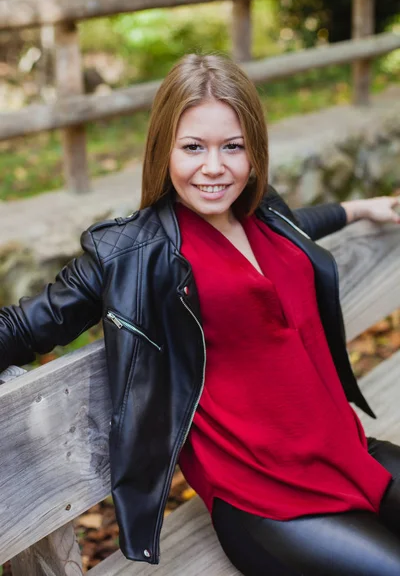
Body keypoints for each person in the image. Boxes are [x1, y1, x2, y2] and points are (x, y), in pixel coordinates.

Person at [1, 54, 400, 575]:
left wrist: (359, 208)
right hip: (267, 499)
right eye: (193, 147)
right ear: (163, 150)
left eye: (232, 146)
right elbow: (25, 327)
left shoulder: (264, 214)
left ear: (254, 151)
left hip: (349, 453)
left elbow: (299, 227)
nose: (214, 167)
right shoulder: (134, 255)